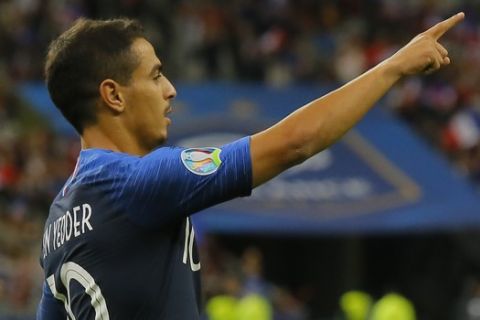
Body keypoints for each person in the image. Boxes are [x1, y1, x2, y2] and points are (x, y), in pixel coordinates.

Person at [36, 12, 465, 319]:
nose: (170, 89)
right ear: (113, 95)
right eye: (155, 75)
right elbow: (295, 143)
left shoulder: (59, 220)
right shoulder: (136, 183)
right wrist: (393, 68)